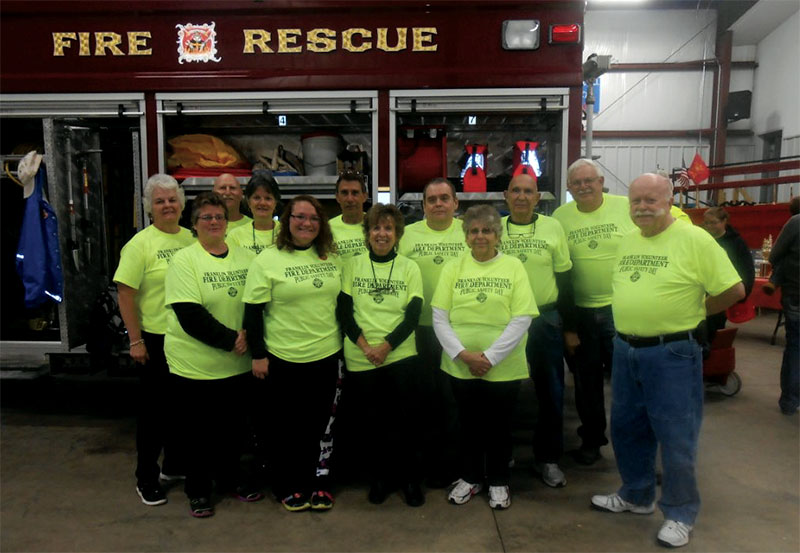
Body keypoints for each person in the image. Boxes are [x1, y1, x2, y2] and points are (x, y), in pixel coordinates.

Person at [590, 173, 744, 548]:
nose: (642, 207)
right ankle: (636, 495)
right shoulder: (628, 240)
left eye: (650, 200)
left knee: (676, 435)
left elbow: (734, 289)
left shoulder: (694, 239)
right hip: (626, 350)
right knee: (627, 427)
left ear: (669, 200)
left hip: (672, 353)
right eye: (635, 201)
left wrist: (694, 312)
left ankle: (680, 513)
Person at [432, 204, 537, 510]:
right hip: (460, 364)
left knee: (499, 426)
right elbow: (440, 317)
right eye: (474, 231)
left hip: (503, 366)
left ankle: (499, 480)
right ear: (465, 237)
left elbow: (522, 318)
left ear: (497, 235)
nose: (480, 236)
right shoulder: (453, 267)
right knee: (467, 424)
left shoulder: (513, 266)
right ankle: (471, 476)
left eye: (487, 230)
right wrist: (464, 355)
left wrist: (489, 357)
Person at [164, 191, 261, 518]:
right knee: (198, 435)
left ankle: (231, 481)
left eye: (219, 216)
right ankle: (198, 491)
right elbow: (189, 314)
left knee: (233, 430)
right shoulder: (184, 260)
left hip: (237, 363)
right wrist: (231, 339)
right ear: (194, 224)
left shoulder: (244, 257)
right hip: (196, 366)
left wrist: (248, 334)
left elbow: (255, 301)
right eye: (206, 217)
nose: (215, 222)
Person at [243, 195, 342, 512]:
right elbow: (253, 312)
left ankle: (319, 484)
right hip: (282, 357)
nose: (306, 223)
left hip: (326, 354)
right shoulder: (267, 260)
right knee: (285, 428)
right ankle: (287, 485)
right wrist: (258, 355)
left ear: (321, 224)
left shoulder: (331, 258)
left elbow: (341, 306)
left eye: (313, 218)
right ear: (287, 221)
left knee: (319, 427)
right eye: (299, 217)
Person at [113, 173, 195, 507]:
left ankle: (174, 467)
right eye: (159, 201)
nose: (167, 206)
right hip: (155, 340)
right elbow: (125, 293)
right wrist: (136, 340)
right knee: (153, 415)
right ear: (149, 207)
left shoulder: (192, 238)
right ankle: (146, 477)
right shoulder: (139, 245)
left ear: (181, 204)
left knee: (182, 410)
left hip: (188, 341)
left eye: (172, 200)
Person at [338, 203, 425, 507]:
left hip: (400, 355)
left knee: (406, 421)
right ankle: (380, 478)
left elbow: (412, 316)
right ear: (367, 233)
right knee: (372, 423)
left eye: (388, 228)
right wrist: (366, 348)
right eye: (376, 227)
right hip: (361, 357)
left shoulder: (409, 267)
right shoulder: (353, 265)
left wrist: (386, 346)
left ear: (398, 234)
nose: (382, 233)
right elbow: (345, 313)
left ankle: (409, 479)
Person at [499, 173, 576, 488]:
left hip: (545, 321)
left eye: (527, 191)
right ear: (506, 196)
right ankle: (502, 455)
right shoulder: (493, 228)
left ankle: (548, 459)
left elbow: (566, 280)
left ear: (537, 197)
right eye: (515, 190)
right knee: (503, 394)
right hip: (503, 324)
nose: (521, 196)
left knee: (551, 393)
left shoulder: (552, 227)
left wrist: (568, 327)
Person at [552, 159, 627, 465]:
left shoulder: (625, 208)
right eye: (577, 183)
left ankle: (631, 445)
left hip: (620, 310)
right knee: (586, 384)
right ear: (569, 188)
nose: (583, 187)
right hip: (580, 314)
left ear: (601, 182)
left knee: (628, 384)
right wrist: (568, 325)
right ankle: (592, 441)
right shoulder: (560, 217)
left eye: (589, 181)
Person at [398, 177, 466, 487]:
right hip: (416, 331)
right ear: (423, 205)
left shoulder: (469, 232)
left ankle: (450, 466)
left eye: (444, 198)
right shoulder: (407, 235)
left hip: (456, 333)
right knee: (421, 401)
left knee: (452, 401)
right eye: (431, 199)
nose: (438, 204)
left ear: (455, 203)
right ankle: (420, 463)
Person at [701, 207, 755, 338]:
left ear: (724, 221)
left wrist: (741, 294)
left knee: (713, 331)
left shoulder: (736, 243)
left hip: (720, 294)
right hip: (700, 292)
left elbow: (746, 270)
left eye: (713, 223)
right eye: (706, 223)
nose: (709, 226)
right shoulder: (701, 239)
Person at [768, 198, 799, 415]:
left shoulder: (796, 223)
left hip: (796, 293)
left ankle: (790, 401)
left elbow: (774, 255)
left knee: (796, 348)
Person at [227, 171, 282, 257]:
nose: (262, 203)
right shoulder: (235, 236)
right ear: (248, 202)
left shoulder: (286, 232)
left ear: (276, 202)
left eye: (268, 198)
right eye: (257, 198)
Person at [329, 170, 369, 260]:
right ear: (337, 197)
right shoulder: (327, 229)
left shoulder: (376, 225)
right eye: (344, 193)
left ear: (364, 197)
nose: (350, 199)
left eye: (355, 193)